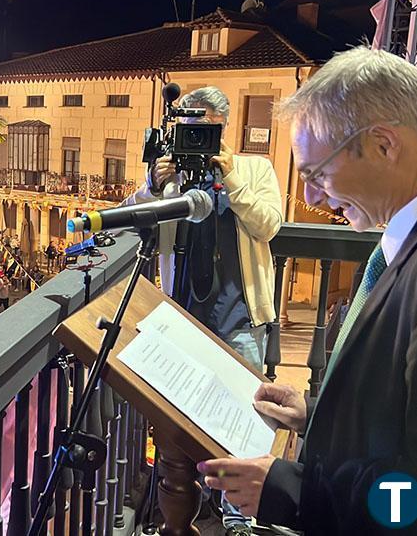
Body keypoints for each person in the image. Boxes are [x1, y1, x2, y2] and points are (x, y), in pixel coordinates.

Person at [198, 47, 417, 534]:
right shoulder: (408, 242)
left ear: (385, 145)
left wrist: (296, 492)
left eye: (316, 173)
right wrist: (320, 417)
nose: (309, 197)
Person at [124, 85, 283, 534]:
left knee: (239, 429)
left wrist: (230, 177)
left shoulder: (253, 169)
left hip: (239, 323)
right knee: (178, 435)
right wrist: (153, 186)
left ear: (223, 127)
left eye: (205, 129)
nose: (196, 138)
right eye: (188, 129)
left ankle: (238, 521)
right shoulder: (172, 179)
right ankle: (183, 517)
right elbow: (137, 220)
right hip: (184, 322)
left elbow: (268, 224)